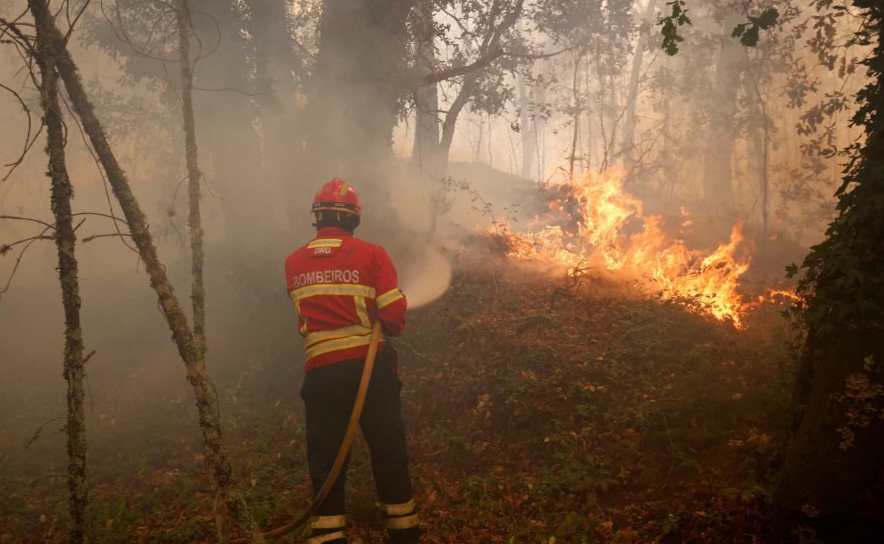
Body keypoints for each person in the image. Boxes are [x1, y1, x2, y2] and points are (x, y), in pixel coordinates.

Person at [284, 178, 420, 544]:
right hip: (369, 373)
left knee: (327, 463)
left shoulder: (294, 262)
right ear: (354, 218)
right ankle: (404, 533)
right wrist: (398, 302)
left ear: (317, 217)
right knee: (389, 453)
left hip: (321, 376)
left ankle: (328, 536)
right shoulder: (372, 254)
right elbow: (392, 317)